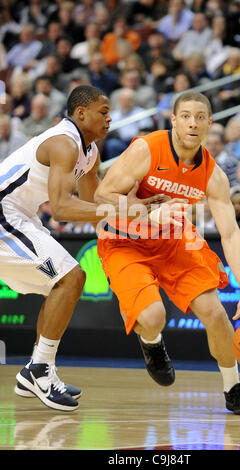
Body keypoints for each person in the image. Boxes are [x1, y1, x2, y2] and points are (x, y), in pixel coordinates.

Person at [94, 90, 240, 415]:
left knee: (217, 315)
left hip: (174, 240)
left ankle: (233, 388)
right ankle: (151, 342)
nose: (193, 123)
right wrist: (147, 214)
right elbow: (101, 197)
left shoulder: (212, 173)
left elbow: (231, 233)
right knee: (153, 319)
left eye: (201, 117)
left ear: (209, 123)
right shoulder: (146, 150)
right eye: (186, 116)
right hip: (124, 241)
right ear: (174, 121)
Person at [1, 85, 166, 412]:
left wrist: (119, 248)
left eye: (109, 113)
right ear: (81, 114)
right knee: (71, 279)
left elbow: (95, 204)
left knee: (61, 285)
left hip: (22, 215)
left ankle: (37, 369)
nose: (109, 118)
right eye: (103, 112)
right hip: (4, 213)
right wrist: (126, 210)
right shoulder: (63, 143)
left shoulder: (89, 152)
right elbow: (62, 208)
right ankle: (39, 371)